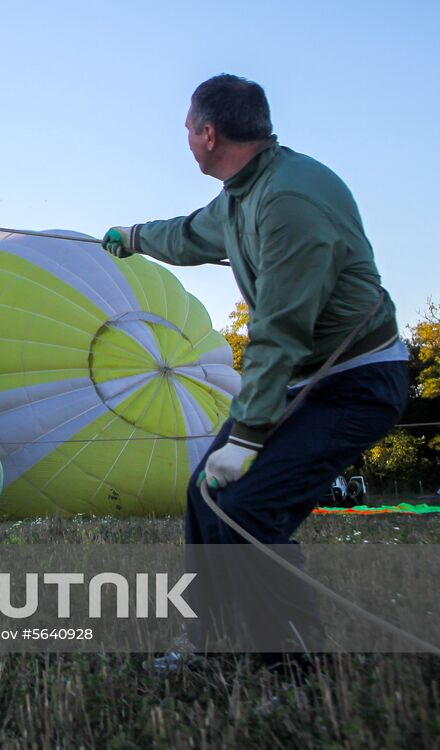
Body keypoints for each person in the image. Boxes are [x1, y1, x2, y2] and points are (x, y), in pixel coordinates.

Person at [101, 74, 409, 668]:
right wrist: (134, 237)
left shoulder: (290, 202)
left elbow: (280, 331)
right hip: (307, 378)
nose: (186, 140)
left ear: (208, 133)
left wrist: (245, 438)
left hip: (356, 381)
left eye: (188, 129)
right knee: (204, 495)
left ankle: (293, 666)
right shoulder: (246, 189)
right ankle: (210, 643)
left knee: (249, 510)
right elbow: (195, 233)